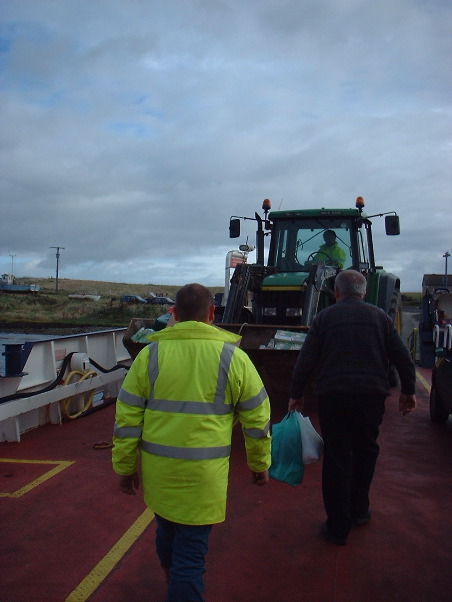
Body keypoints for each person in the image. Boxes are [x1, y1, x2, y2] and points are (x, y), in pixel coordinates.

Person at [112, 283, 271, 601]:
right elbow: (257, 420)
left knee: (166, 530)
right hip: (204, 477)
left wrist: (126, 468)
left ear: (173, 314)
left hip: (161, 472)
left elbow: (127, 420)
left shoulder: (149, 356)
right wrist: (258, 465)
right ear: (212, 314)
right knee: (191, 557)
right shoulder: (233, 358)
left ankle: (170, 576)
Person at [288, 270, 416, 545]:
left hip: (334, 398)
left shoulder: (323, 318)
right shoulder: (380, 317)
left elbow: (305, 360)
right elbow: (403, 357)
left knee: (337, 458)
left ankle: (337, 528)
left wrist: (296, 394)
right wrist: (408, 391)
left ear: (336, 292)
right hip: (371, 397)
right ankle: (359, 511)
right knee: (366, 450)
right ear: (364, 292)